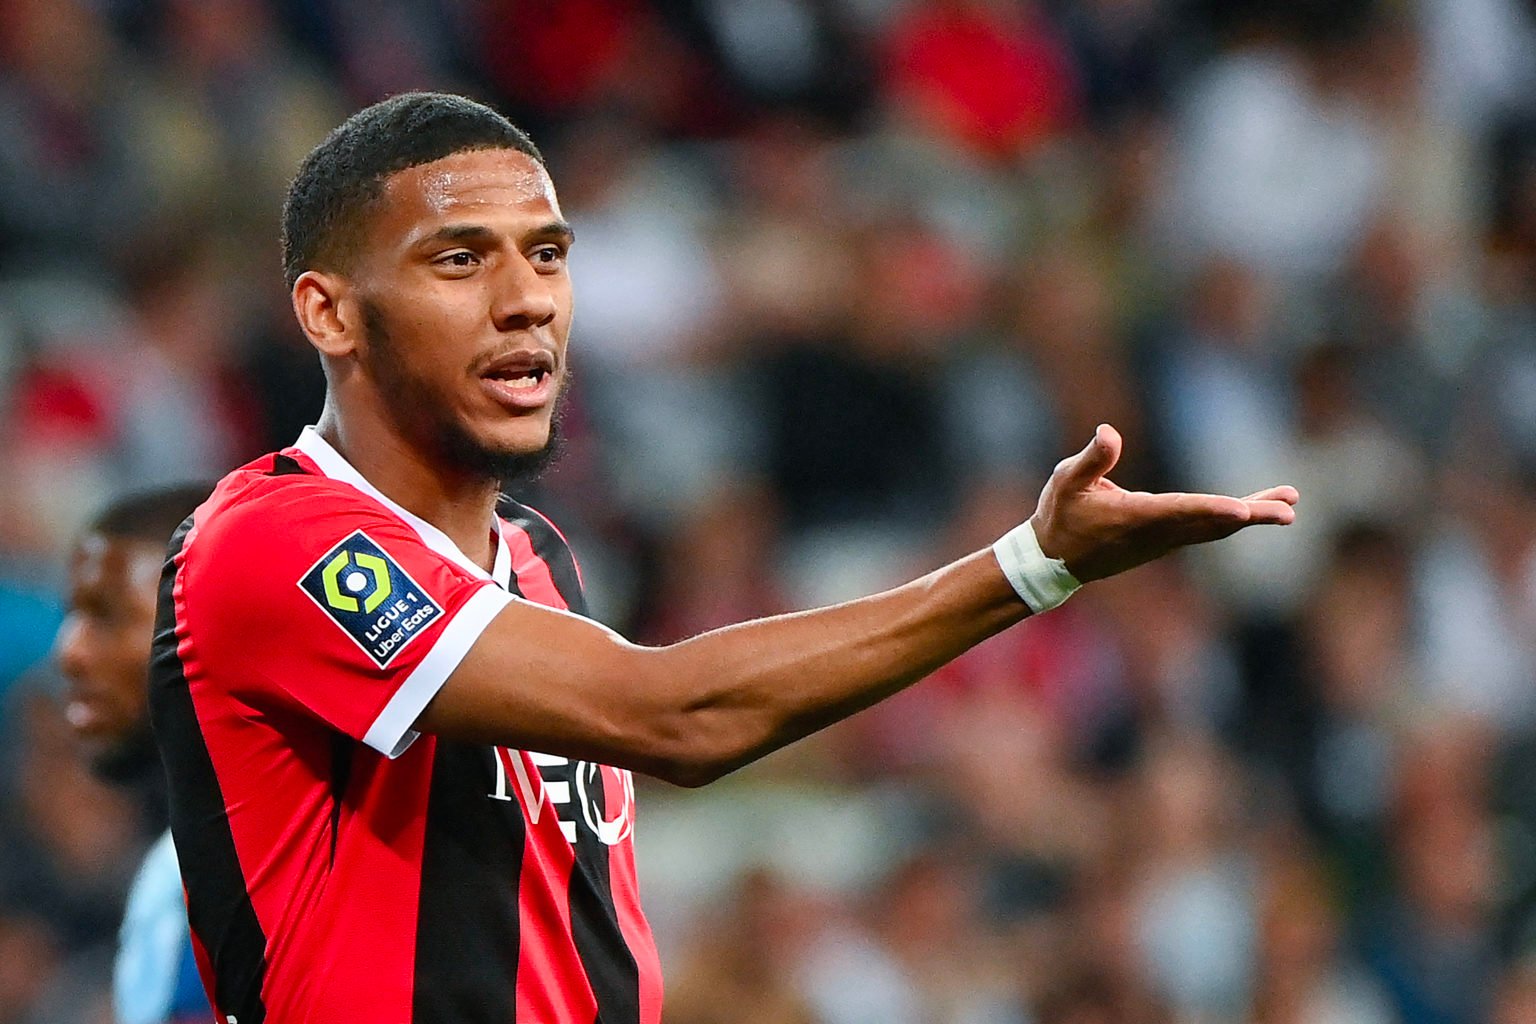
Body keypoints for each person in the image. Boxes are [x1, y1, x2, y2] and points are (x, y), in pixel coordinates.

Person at [148, 92, 1298, 1024]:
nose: (526, 303)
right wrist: (1028, 567)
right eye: (461, 261)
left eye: (547, 255)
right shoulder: (274, 540)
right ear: (328, 313)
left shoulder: (537, 556)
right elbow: (678, 718)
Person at [56, 486, 212, 1024]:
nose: (69, 651)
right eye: (72, 613)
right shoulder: (171, 877)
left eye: (107, 614)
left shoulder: (334, 870)